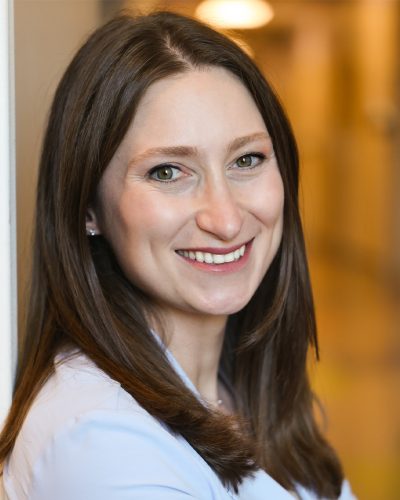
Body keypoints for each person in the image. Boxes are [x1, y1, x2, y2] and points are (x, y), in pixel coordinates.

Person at [0, 11, 355, 500]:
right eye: (168, 172)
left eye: (246, 160)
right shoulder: (100, 445)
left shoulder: (245, 390)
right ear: (87, 207)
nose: (226, 219)